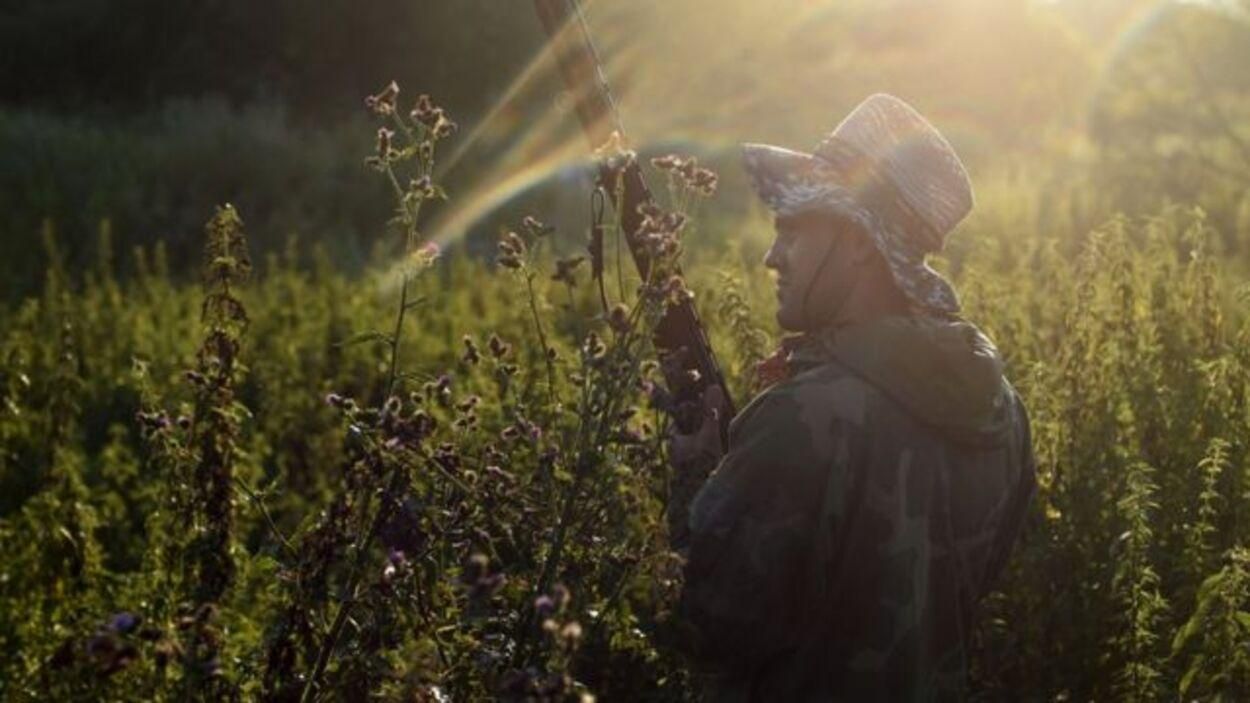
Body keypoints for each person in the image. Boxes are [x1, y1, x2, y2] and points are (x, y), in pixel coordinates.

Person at [666, 94, 1037, 701]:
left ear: (860, 240)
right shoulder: (1003, 412)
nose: (771, 256)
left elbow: (705, 627)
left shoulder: (801, 420)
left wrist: (694, 473)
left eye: (793, 228)